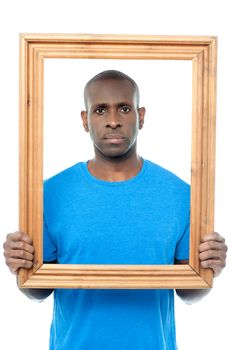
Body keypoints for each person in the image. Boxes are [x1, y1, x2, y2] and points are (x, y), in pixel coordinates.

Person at [3, 70, 227, 350]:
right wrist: (20, 265)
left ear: (141, 116)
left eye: (124, 108)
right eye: (100, 110)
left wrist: (210, 269)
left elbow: (188, 292)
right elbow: (39, 290)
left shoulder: (181, 195)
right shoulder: (49, 194)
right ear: (85, 120)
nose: (112, 121)